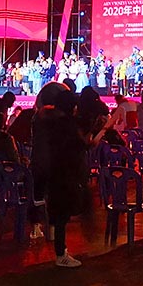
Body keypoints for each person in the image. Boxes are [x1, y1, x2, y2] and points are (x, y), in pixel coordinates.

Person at [38, 89, 93, 267]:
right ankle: (61, 254)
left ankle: (60, 250)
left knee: (58, 212)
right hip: (66, 173)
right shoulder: (67, 125)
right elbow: (79, 147)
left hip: (53, 171)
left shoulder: (47, 122)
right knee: (62, 214)